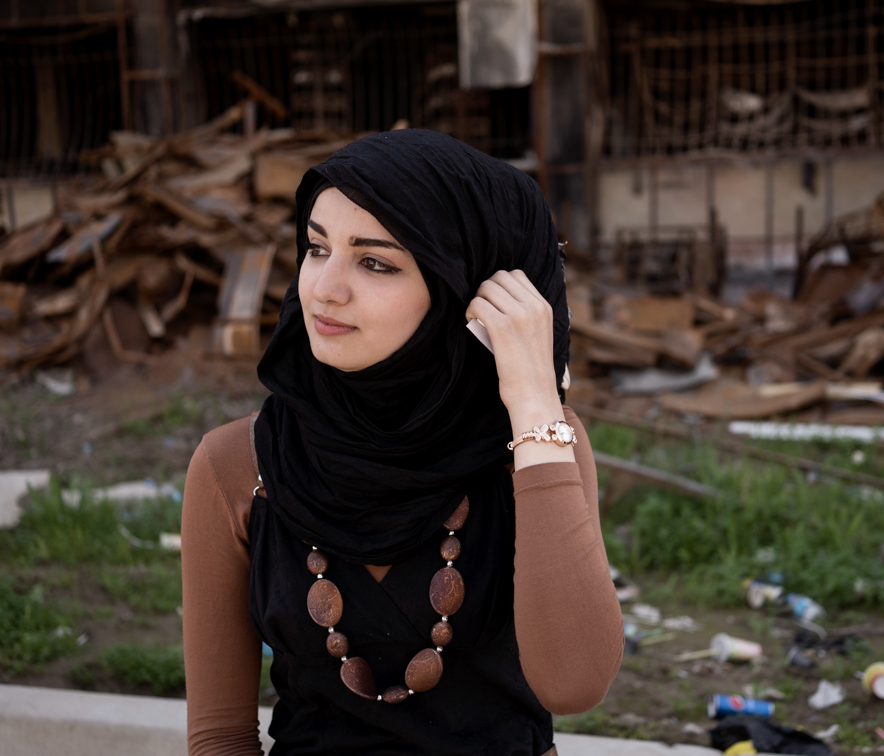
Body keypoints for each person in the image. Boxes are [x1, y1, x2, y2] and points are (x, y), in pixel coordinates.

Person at [181, 129, 623, 756]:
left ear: (462, 289)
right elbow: (221, 739)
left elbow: (575, 684)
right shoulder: (238, 466)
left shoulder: (537, 446)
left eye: (375, 262)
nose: (325, 288)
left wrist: (532, 401)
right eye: (315, 248)